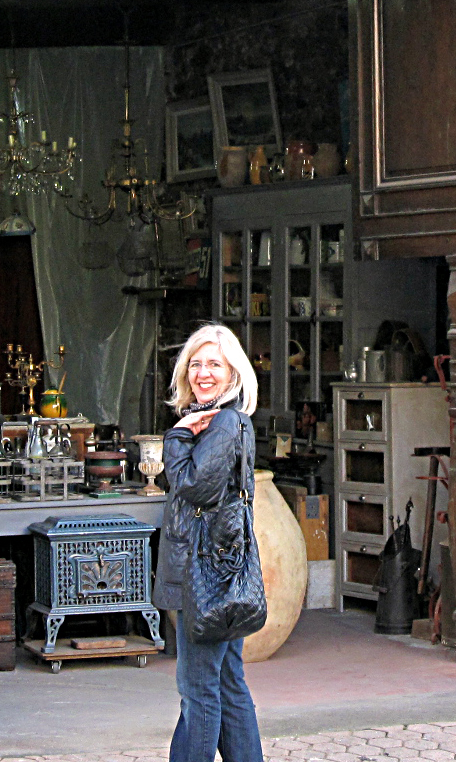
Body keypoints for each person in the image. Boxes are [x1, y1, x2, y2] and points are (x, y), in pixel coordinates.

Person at [153, 323, 264, 762]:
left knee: (198, 691)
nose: (203, 373)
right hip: (220, 572)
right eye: (195, 364)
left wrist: (177, 436)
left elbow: (193, 486)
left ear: (234, 374)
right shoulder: (220, 422)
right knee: (226, 682)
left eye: (214, 364)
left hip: (207, 578)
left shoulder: (222, 424)